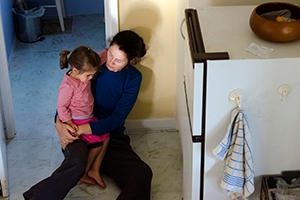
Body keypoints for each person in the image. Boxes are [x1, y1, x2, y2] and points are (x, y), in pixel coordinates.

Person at [23, 30, 153, 200]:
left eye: (118, 60)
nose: (111, 62)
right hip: (76, 129)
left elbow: (117, 118)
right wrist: (60, 125)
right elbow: (66, 97)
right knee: (76, 163)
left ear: (131, 61)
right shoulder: (96, 63)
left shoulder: (133, 78)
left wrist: (85, 129)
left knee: (141, 174)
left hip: (108, 135)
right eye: (110, 54)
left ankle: (95, 166)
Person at [57, 45, 110, 188]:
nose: (91, 78)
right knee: (97, 144)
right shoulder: (68, 86)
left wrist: (109, 50)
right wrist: (68, 122)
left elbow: (101, 57)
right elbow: (61, 107)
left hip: (89, 117)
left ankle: (95, 170)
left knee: (106, 135)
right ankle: (83, 172)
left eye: (93, 74)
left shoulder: (83, 73)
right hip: (78, 121)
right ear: (75, 70)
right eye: (88, 75)